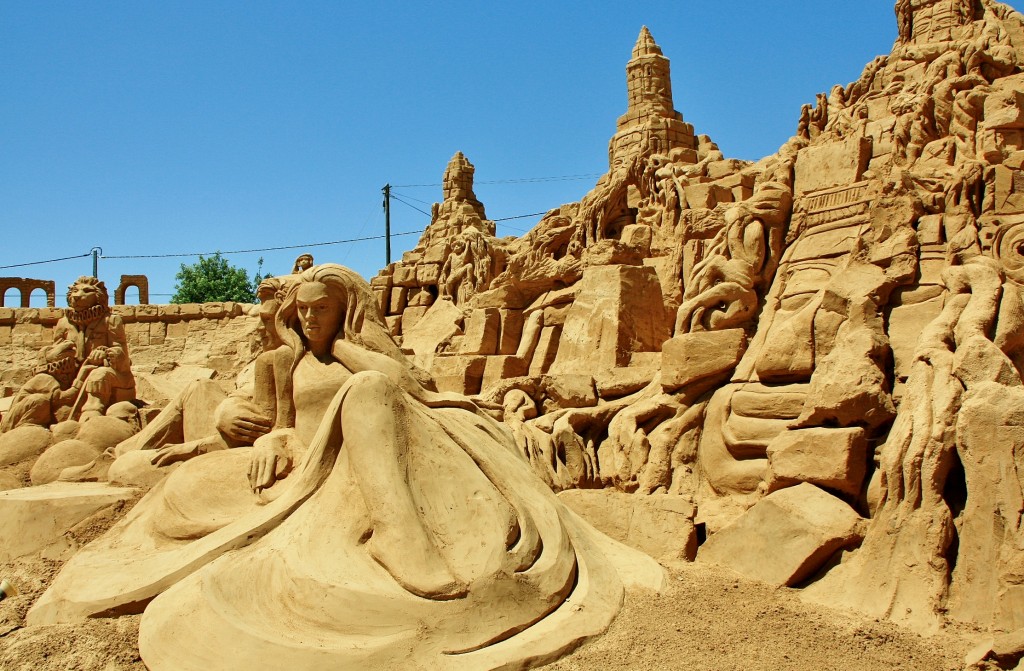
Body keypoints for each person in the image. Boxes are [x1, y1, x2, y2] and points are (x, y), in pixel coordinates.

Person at [29, 263, 663, 669]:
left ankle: (398, 533)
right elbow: (271, 420)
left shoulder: (356, 361)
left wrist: (342, 349)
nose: (307, 318)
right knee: (185, 492)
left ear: (342, 310)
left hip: (362, 459)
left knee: (369, 394)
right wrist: (264, 436)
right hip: (294, 468)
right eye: (300, 311)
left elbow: (401, 386)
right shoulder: (280, 363)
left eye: (320, 310)